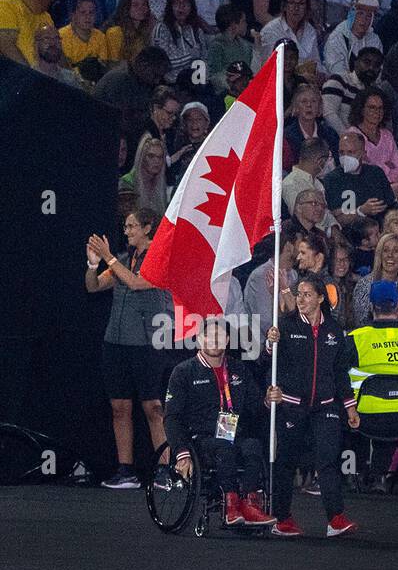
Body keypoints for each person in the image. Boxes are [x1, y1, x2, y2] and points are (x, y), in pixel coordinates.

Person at [262, 273, 360, 539]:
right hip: (291, 404)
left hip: (326, 406)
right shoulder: (285, 325)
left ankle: (335, 518)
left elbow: (341, 372)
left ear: (320, 298)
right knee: (286, 461)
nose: (301, 299)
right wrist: (270, 345)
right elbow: (268, 363)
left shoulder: (334, 330)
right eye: (298, 294)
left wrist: (350, 407)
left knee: (328, 461)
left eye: (306, 294)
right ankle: (282, 519)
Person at [84, 208, 174, 490]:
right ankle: (126, 470)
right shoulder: (122, 260)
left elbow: (136, 283)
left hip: (147, 344)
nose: (127, 232)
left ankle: (165, 469)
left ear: (148, 228)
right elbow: (94, 286)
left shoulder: (159, 259)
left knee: (153, 407)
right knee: (119, 407)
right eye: (125, 227)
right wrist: (92, 264)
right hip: (116, 343)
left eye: (132, 227)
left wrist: (109, 258)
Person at [164, 316, 274, 528]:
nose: (214, 340)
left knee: (253, 446)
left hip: (232, 435)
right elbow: (172, 417)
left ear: (227, 341)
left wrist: (268, 401)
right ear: (199, 340)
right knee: (224, 448)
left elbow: (256, 406)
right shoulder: (184, 372)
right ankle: (231, 507)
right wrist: (182, 452)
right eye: (209, 336)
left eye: (219, 336)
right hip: (200, 438)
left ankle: (251, 504)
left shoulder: (238, 369)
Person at [344, 279, 398, 491]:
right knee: (393, 401)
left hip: (363, 417)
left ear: (371, 307)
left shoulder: (357, 339)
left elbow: (335, 378)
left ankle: (351, 472)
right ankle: (378, 474)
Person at [323, 0, 381, 79]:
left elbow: (378, 71)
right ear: (352, 13)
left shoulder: (375, 40)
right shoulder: (336, 38)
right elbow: (337, 73)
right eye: (360, 13)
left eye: (369, 16)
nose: (363, 20)